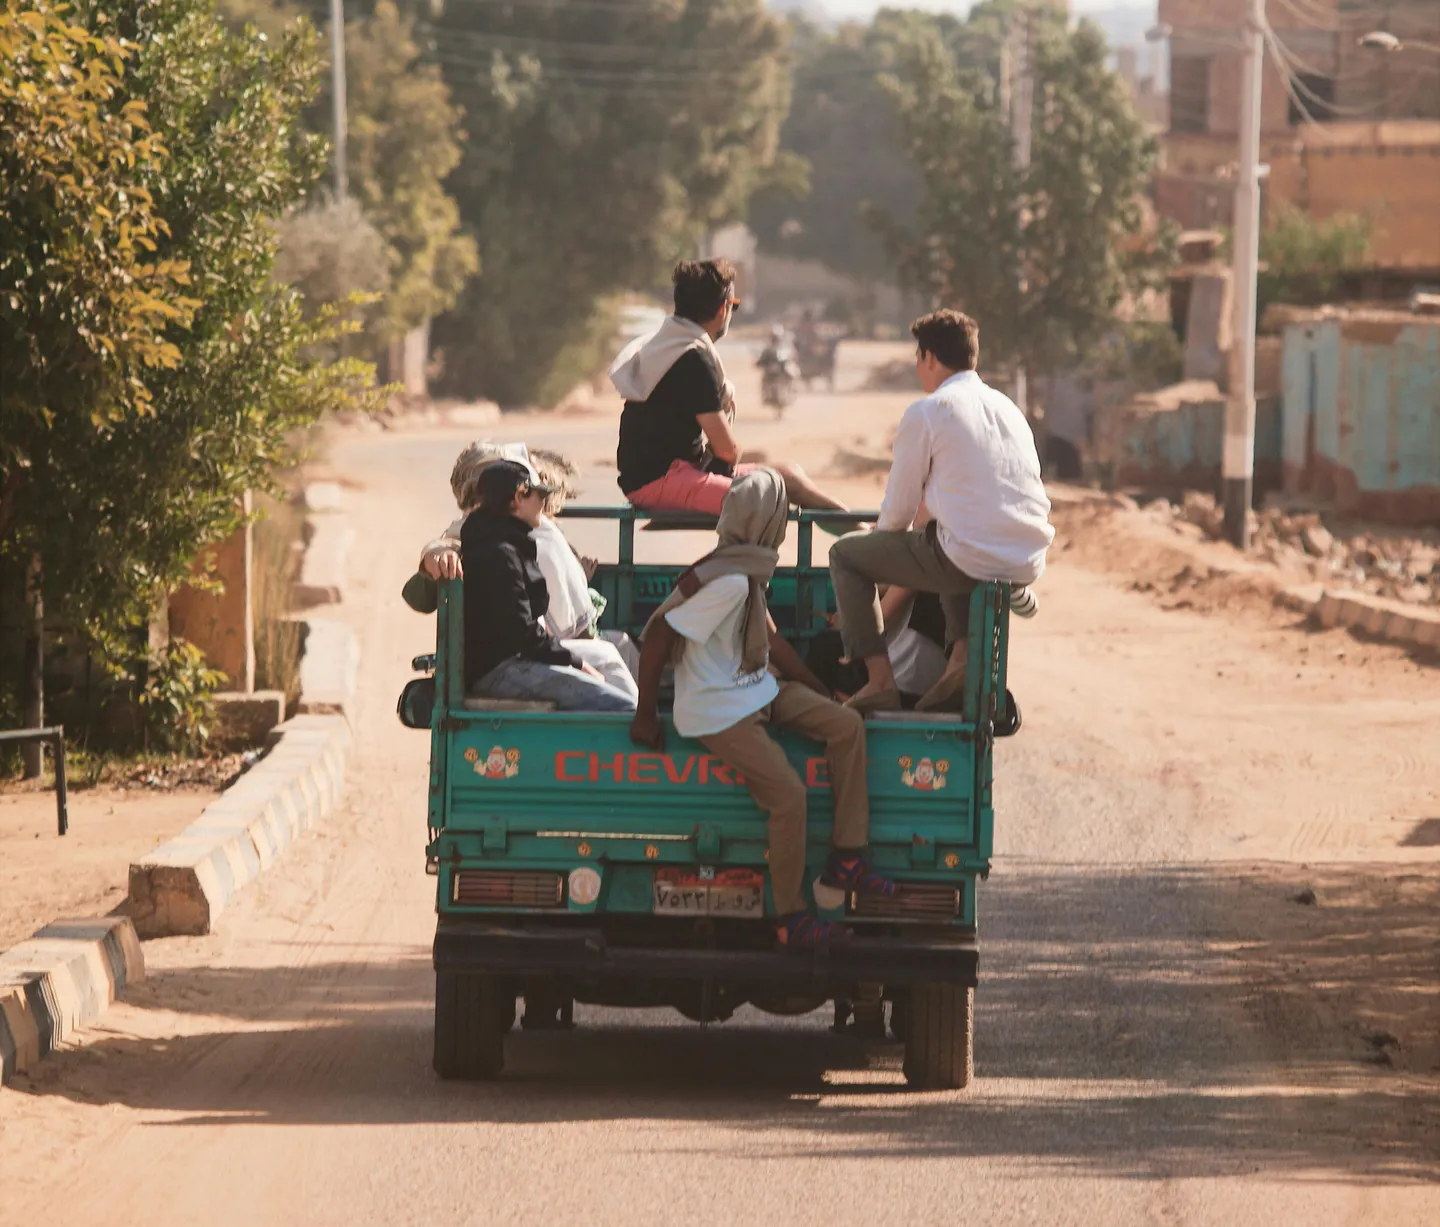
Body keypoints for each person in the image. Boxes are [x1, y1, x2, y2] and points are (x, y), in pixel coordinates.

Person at [628, 468, 895, 951]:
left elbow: (771, 641)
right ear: (769, 523)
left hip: (755, 688)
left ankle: (848, 856)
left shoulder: (744, 568)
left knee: (845, 725)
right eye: (783, 515)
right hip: (720, 710)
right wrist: (645, 713)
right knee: (789, 799)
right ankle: (790, 917)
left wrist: (819, 691)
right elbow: (660, 634)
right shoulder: (727, 579)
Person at [829, 309, 1054, 714]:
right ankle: (961, 659)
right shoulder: (1007, 409)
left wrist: (878, 579)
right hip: (1026, 559)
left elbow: (896, 515)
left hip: (970, 555)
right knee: (947, 536)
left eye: (919, 359)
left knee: (844, 555)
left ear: (929, 357)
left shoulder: (928, 411)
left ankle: (879, 681)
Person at [609, 259, 849, 516]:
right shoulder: (691, 357)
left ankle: (857, 530)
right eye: (734, 305)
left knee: (789, 476)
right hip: (661, 481)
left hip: (679, 472)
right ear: (723, 309)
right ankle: (738, 557)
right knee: (762, 495)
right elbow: (726, 449)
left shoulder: (668, 344)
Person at [415, 441, 639, 697]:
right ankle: (639, 722)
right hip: (525, 653)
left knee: (619, 650)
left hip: (548, 640)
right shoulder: (479, 533)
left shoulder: (528, 525)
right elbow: (443, 546)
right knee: (618, 657)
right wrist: (436, 554)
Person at [461, 460, 636, 713]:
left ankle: (644, 722)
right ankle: (637, 733)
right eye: (537, 494)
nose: (542, 503)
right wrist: (577, 664)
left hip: (518, 658)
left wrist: (574, 661)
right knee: (622, 707)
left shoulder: (506, 540)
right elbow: (523, 633)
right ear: (516, 501)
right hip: (501, 670)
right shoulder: (498, 554)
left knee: (607, 656)